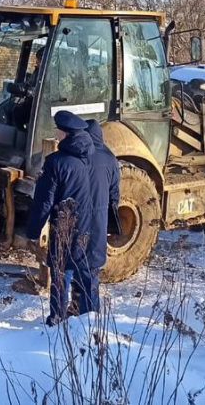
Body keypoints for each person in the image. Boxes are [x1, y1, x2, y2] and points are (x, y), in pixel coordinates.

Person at [26, 110, 107, 325]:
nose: (55, 133)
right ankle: (90, 320)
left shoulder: (55, 162)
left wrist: (33, 231)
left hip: (66, 227)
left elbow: (44, 201)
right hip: (92, 226)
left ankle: (58, 318)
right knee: (87, 272)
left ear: (64, 134)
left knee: (62, 271)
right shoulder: (97, 159)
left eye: (57, 130)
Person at [84, 119, 120, 305]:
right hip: (99, 219)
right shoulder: (110, 158)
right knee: (92, 268)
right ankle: (90, 311)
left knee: (72, 266)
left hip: (78, 219)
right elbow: (115, 195)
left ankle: (69, 310)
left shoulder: (78, 156)